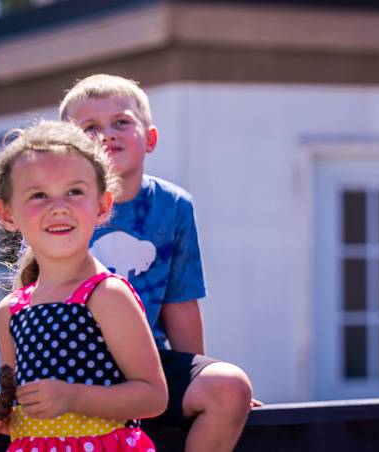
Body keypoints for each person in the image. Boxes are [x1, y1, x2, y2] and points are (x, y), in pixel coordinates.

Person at [59, 74, 254, 452]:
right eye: (90, 127)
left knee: (230, 388)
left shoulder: (173, 206)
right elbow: (28, 300)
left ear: (149, 138)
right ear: (68, 147)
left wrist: (201, 375)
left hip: (147, 369)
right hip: (72, 369)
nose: (107, 134)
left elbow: (179, 303)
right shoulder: (60, 206)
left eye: (121, 122)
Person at [0, 120, 168, 451]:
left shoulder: (106, 295)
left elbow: (152, 396)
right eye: (38, 195)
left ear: (102, 206)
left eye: (74, 191)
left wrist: (73, 397)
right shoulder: (11, 310)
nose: (58, 206)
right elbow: (20, 400)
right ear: (7, 214)